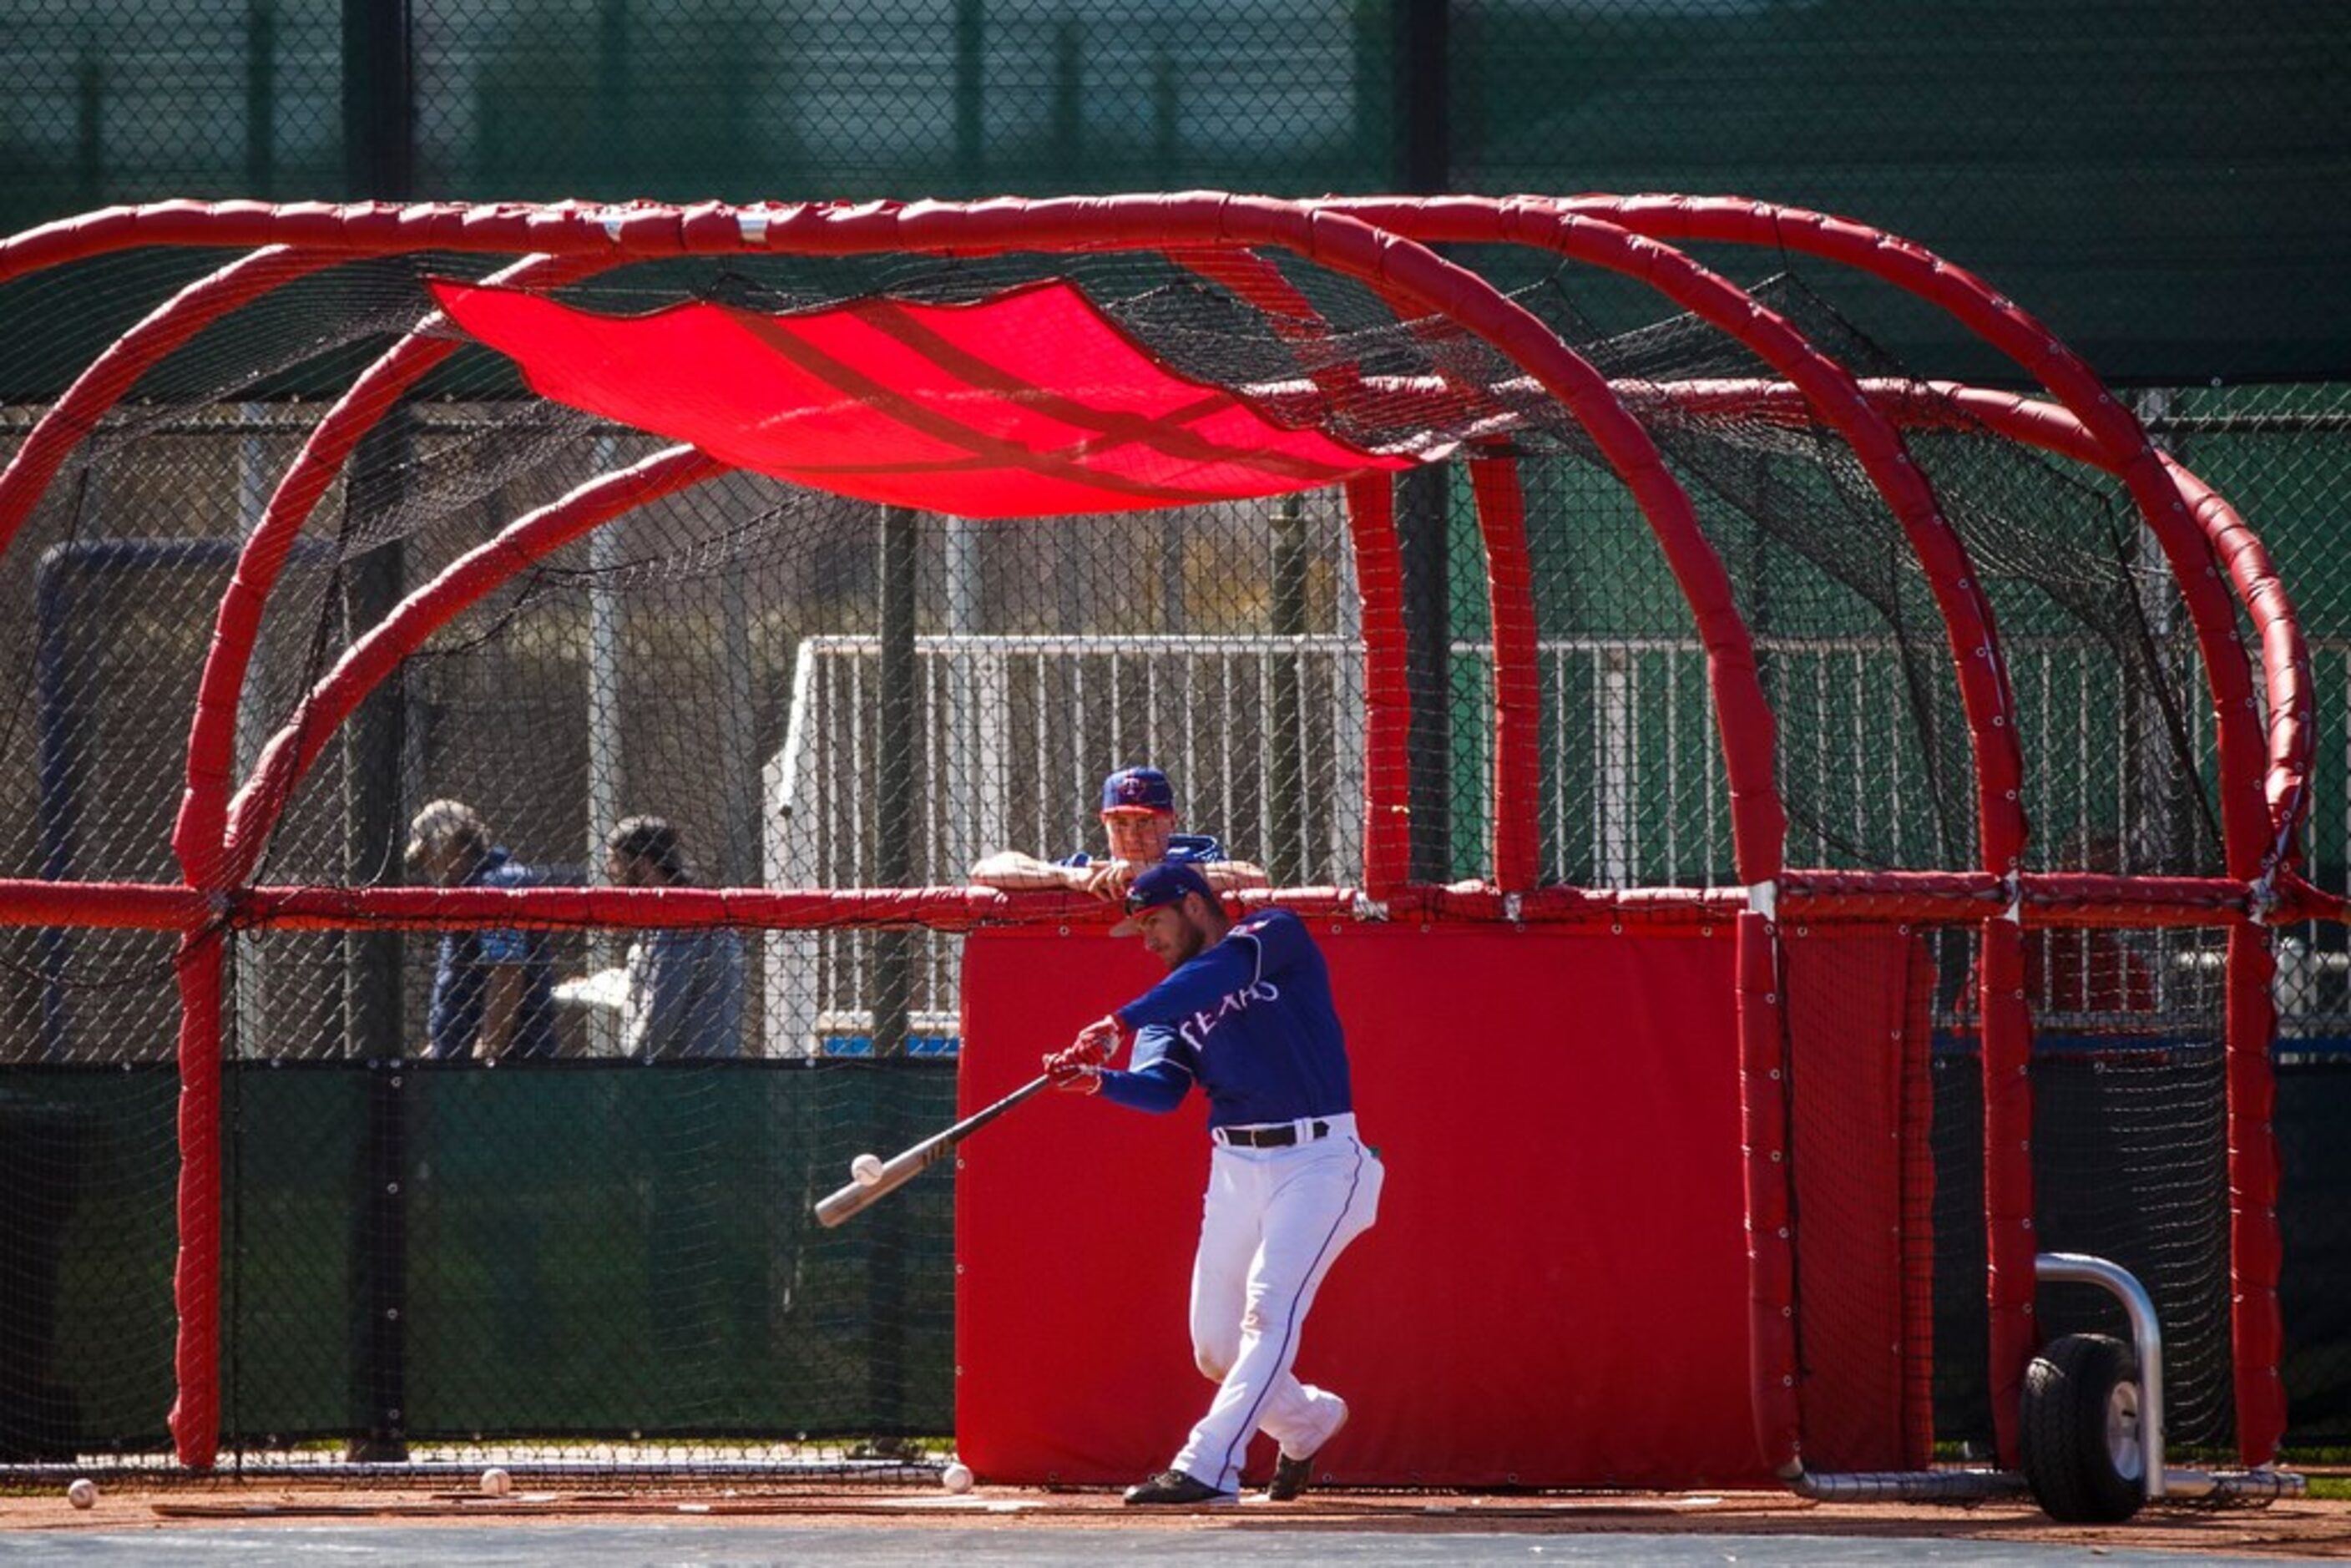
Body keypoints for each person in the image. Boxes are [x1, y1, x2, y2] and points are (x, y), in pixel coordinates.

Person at [1044, 862, 1383, 1505]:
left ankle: (1208, 1467)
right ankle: (1308, 1421)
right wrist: (1097, 1082)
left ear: (1196, 907)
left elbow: (1223, 972)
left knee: (1268, 1309)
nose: (1146, 940)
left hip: (1319, 1159)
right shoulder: (1170, 1002)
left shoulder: (1273, 935)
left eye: (1153, 922)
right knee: (1215, 1347)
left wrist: (1119, 1022)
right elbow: (1162, 1092)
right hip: (1235, 1168)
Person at [968, 764, 1268, 902]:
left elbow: (1254, 876)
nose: (1132, 836)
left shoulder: (1193, 859)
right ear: (1104, 823)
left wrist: (1150, 872)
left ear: (1172, 822)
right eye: (1120, 824)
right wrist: (1066, 877)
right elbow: (985, 870)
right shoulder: (1090, 871)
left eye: (1145, 823)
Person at [405, 799, 560, 1062]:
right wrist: (441, 1044)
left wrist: (487, 1051)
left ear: (446, 844)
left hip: (512, 1059)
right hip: (464, 1053)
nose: (426, 866)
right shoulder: (469, 889)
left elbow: (506, 972)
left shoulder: (498, 885)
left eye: (427, 854)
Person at [602, 815, 745, 1060]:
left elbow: (656, 1024)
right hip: (709, 1074)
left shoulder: (681, 926)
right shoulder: (695, 913)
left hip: (681, 1082)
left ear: (644, 865)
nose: (615, 887)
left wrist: (624, 1073)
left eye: (618, 874)